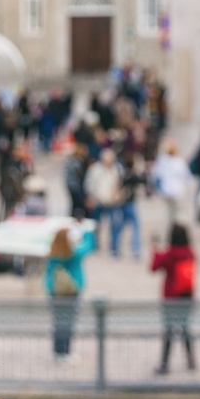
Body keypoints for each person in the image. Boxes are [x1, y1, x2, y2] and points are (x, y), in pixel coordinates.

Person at [150, 222, 196, 374]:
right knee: (185, 328)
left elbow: (154, 267)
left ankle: (164, 362)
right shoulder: (190, 252)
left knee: (169, 330)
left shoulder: (170, 254)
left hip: (171, 296)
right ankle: (190, 359)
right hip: (186, 295)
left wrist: (155, 251)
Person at [44, 225, 93, 361]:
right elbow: (89, 245)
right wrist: (87, 231)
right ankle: (65, 352)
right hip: (71, 291)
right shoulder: (74, 253)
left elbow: (47, 275)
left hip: (55, 291)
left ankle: (57, 350)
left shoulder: (53, 254)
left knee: (57, 321)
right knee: (69, 322)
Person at [84, 148, 121, 250]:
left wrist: (116, 194)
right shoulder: (95, 169)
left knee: (115, 223)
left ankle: (114, 246)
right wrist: (91, 197)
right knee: (96, 224)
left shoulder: (115, 169)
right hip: (98, 200)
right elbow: (89, 185)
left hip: (111, 201)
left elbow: (116, 183)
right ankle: (95, 244)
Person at [154, 138, 193, 228]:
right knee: (179, 214)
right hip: (178, 191)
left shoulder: (162, 161)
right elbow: (187, 176)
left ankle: (172, 232)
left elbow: (157, 176)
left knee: (170, 214)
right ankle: (178, 233)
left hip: (166, 191)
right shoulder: (179, 162)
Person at [111, 154, 144, 260]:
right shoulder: (133, 175)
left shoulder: (122, 174)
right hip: (129, 203)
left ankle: (115, 248)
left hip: (122, 203)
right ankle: (136, 249)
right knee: (135, 226)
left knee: (120, 226)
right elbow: (142, 181)